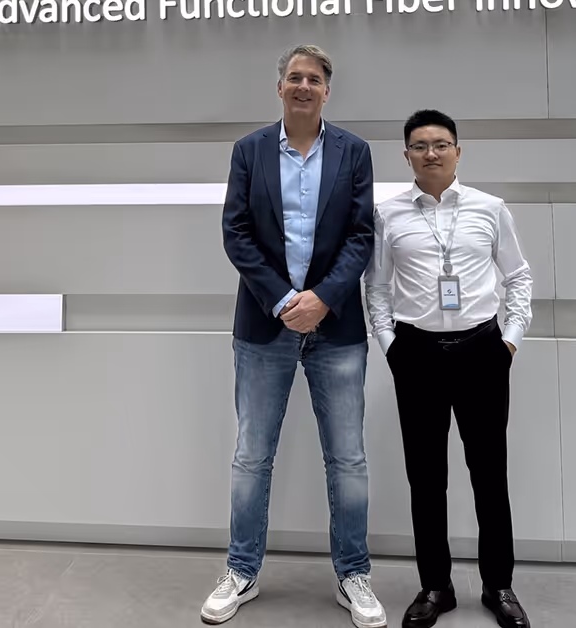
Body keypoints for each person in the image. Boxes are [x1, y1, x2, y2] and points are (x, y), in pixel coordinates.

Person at [201, 45, 386, 628]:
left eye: (314, 79)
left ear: (328, 90)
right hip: (264, 323)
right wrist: (284, 300)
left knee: (348, 458)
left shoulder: (354, 152)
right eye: (294, 77)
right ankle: (241, 570)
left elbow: (361, 235)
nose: (303, 86)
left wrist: (323, 298)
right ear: (278, 87)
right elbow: (236, 234)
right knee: (252, 456)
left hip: (337, 327)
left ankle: (354, 575)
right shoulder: (249, 151)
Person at [365, 109, 534, 628]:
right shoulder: (388, 214)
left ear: (458, 151)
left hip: (483, 352)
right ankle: (435, 586)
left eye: (441, 144)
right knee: (425, 477)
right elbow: (377, 287)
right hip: (416, 355)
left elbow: (519, 277)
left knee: (489, 473)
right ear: (407, 155)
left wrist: (509, 341)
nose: (431, 153)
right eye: (420, 145)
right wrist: (391, 346)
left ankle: (498, 585)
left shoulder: (490, 208)